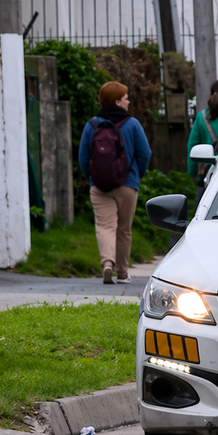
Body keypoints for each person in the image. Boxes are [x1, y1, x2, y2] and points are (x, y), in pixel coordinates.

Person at [79, 81, 152, 284]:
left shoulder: (92, 125)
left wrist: (93, 178)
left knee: (105, 225)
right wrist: (138, 174)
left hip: (99, 185)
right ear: (117, 101)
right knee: (124, 229)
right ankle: (122, 272)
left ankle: (107, 263)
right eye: (126, 97)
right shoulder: (132, 124)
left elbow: (83, 157)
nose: (128, 101)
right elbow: (145, 153)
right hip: (128, 184)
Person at [187, 79, 218, 186]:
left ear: (211, 95)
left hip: (207, 176)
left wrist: (193, 174)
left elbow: (192, 146)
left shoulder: (202, 117)